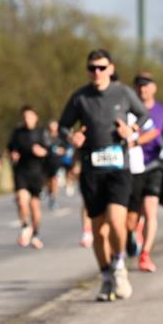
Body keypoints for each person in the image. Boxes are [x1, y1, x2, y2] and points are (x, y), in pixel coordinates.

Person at [58, 49, 148, 301]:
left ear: (110, 68)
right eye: (92, 68)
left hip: (119, 166)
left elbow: (143, 114)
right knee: (98, 230)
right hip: (91, 168)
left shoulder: (123, 93)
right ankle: (106, 276)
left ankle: (119, 265)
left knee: (116, 220)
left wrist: (131, 129)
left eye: (101, 67)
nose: (96, 72)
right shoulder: (80, 97)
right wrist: (71, 137)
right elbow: (63, 125)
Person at [125, 72, 163, 273]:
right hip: (132, 167)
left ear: (154, 88)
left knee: (150, 210)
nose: (143, 89)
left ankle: (145, 254)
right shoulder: (128, 110)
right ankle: (131, 234)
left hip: (154, 166)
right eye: (139, 85)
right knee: (133, 216)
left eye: (146, 85)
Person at [8, 106, 49, 248]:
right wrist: (13, 154)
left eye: (30, 116)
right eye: (24, 117)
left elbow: (49, 151)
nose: (27, 120)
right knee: (21, 200)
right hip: (21, 172)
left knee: (34, 206)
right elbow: (10, 148)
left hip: (37, 173)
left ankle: (36, 234)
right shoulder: (17, 132)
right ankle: (25, 226)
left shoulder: (42, 132)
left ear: (36, 117)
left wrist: (42, 152)